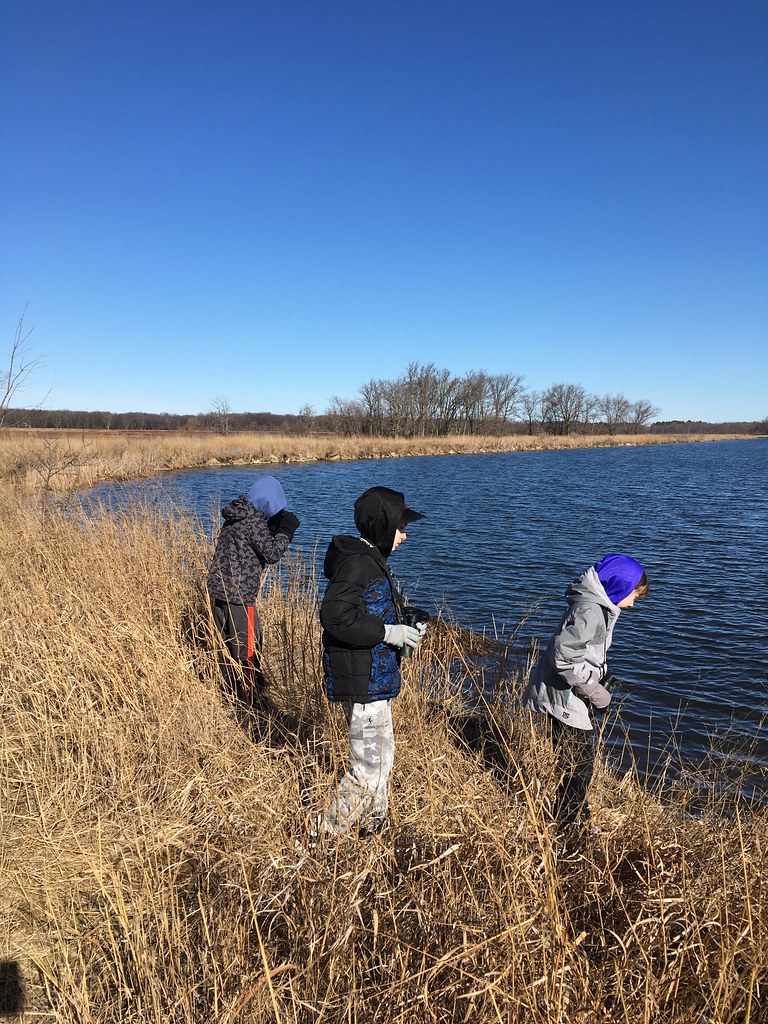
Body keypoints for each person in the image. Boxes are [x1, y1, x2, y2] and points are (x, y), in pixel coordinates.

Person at [314, 485, 427, 844]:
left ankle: (373, 830)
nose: (405, 535)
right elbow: (335, 615)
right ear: (381, 526)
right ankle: (313, 840)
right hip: (365, 685)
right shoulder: (359, 563)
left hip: (376, 681)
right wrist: (389, 632)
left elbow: (367, 610)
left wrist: (405, 621)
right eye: (400, 527)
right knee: (367, 770)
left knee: (383, 760)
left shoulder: (370, 559)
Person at [523, 553, 649, 835]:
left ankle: (571, 814)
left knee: (572, 760)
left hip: (568, 694)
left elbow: (586, 652)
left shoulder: (597, 607)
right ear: (618, 587)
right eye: (633, 596)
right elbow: (563, 657)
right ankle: (567, 827)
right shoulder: (590, 612)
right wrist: (591, 689)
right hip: (563, 698)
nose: (631, 604)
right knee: (580, 766)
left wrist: (602, 676)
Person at [207, 474, 300, 714]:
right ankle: (249, 704)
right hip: (240, 595)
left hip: (218, 591)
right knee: (248, 648)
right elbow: (271, 554)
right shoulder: (254, 522)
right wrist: (286, 531)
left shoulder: (236, 516)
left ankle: (228, 694)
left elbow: (248, 546)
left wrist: (269, 527)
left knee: (225, 645)